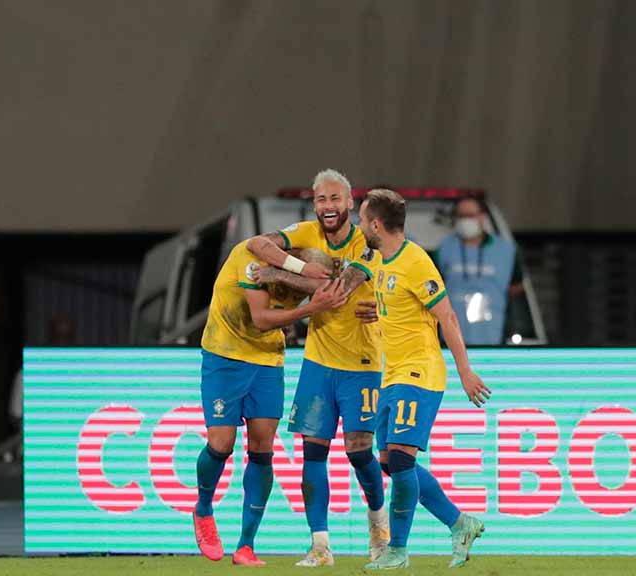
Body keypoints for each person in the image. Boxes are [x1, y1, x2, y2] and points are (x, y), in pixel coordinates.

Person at [247, 169, 390, 566]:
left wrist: (277, 273)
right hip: (318, 362)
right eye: (321, 200)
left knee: (360, 453)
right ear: (315, 205)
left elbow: (339, 290)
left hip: (363, 362)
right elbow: (258, 243)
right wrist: (294, 264)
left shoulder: (366, 240)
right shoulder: (306, 233)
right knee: (314, 452)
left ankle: (379, 527)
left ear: (349, 202)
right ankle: (320, 545)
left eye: (335, 199)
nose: (328, 207)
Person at [356, 189, 491, 570]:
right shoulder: (382, 260)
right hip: (393, 373)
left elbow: (446, 317)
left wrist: (465, 371)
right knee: (389, 461)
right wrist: (378, 313)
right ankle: (459, 522)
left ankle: (396, 551)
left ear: (376, 225)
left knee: (400, 460)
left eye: (363, 219)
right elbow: (401, 308)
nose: (360, 225)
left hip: (419, 371)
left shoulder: (416, 262)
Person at [193, 239, 345, 566]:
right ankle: (204, 509)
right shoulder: (251, 259)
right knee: (221, 444)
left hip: (267, 362)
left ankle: (246, 546)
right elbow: (261, 318)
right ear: (291, 261)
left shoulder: (302, 281)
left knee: (263, 450)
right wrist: (309, 308)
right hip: (225, 357)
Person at [434, 197, 523, 345]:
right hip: (450, 338)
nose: (465, 220)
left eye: (470, 215)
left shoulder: (506, 250)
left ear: (482, 216)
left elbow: (517, 286)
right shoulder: (444, 248)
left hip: (493, 335)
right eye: (461, 216)